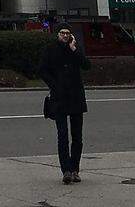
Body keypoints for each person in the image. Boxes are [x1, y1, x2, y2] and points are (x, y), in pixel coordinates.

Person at [39, 23, 91, 185]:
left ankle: (75, 169)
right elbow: (42, 70)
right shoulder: (50, 50)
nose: (65, 35)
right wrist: (54, 86)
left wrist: (74, 49)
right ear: (57, 34)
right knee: (62, 135)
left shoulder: (75, 49)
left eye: (68, 33)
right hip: (59, 97)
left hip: (76, 96)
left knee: (77, 136)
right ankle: (66, 170)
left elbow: (86, 65)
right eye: (62, 33)